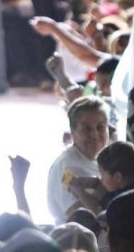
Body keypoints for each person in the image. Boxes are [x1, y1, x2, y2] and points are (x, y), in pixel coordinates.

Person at [47, 96, 109, 224]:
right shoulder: (67, 166)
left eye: (100, 127)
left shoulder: (104, 159)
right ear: (73, 131)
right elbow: (81, 219)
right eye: (86, 129)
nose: (95, 135)